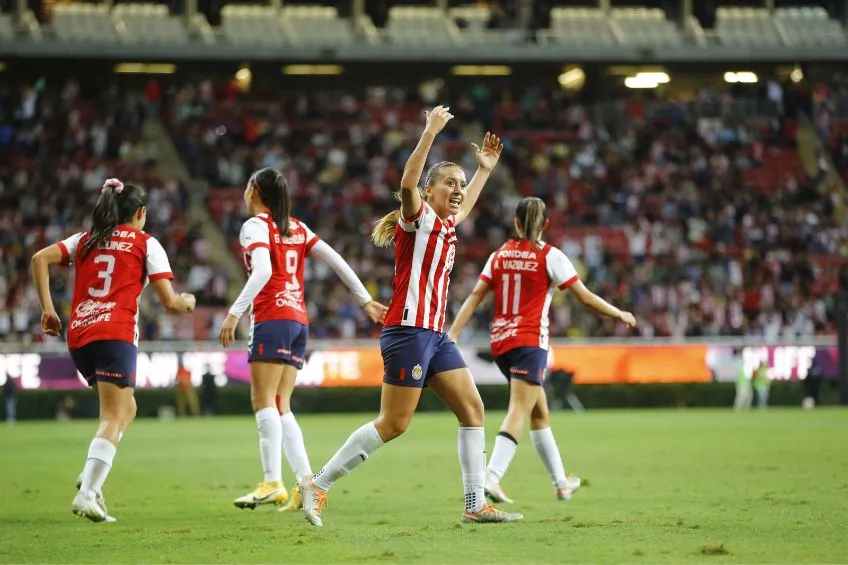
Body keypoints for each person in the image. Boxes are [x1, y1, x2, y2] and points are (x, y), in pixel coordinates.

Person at [300, 106, 522, 527]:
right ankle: (318, 482)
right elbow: (406, 182)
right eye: (449, 183)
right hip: (408, 331)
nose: (457, 190)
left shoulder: (448, 225)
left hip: (435, 335)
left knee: (473, 410)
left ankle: (475, 504)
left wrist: (484, 171)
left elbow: (465, 207)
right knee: (394, 423)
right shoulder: (416, 218)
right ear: (428, 190)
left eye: (460, 184)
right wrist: (430, 132)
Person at [446, 197, 636, 504]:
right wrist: (619, 313)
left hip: (501, 344)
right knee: (519, 410)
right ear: (545, 224)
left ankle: (561, 483)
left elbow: (475, 296)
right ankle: (491, 477)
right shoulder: (550, 256)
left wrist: (453, 334)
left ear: (516, 223)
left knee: (539, 412)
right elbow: (585, 297)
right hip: (530, 342)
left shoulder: (499, 255)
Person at [218, 167, 387, 512]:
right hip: (298, 321)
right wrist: (365, 300)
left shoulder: (254, 226)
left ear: (254, 191)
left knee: (263, 400)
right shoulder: (297, 227)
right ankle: (306, 483)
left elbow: (263, 270)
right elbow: (336, 259)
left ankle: (271, 482)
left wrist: (235, 312)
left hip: (272, 317)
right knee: (281, 404)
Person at [31, 178, 196, 523]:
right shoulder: (145, 243)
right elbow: (169, 301)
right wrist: (187, 301)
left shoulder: (86, 239)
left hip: (80, 335)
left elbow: (39, 258)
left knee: (127, 408)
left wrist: (47, 310)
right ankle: (87, 492)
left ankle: (91, 475)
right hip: (115, 333)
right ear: (140, 212)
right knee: (112, 415)